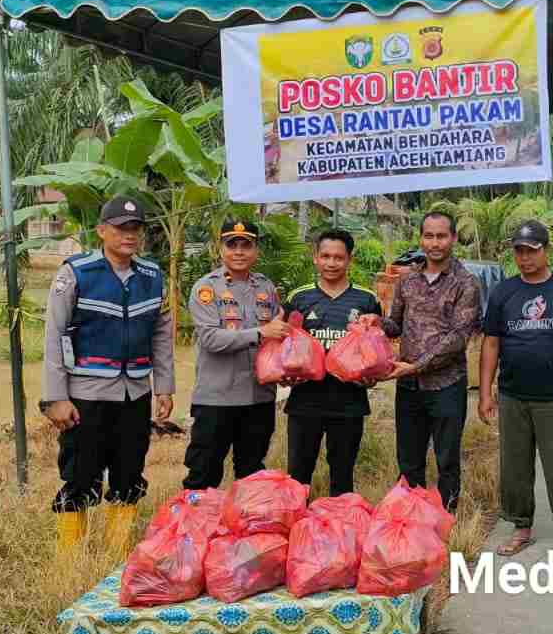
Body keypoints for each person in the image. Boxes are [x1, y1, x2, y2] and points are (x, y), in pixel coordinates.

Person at [40, 195, 175, 557]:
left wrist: (164, 386)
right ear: (102, 231)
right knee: (80, 475)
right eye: (120, 228)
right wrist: (56, 397)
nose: (128, 235)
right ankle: (71, 562)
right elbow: (54, 336)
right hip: (86, 394)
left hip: (135, 394)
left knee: (129, 473)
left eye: (135, 228)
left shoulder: (152, 276)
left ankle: (116, 556)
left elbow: (161, 332)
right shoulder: (76, 273)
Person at [479, 220, 553, 560]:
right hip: (513, 394)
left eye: (532, 250)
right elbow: (490, 344)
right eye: (519, 251)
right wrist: (486, 393)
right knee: (514, 466)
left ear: (546, 250)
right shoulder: (504, 292)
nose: (525, 257)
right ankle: (521, 526)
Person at [381, 211, 482, 510]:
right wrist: (375, 322)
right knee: (409, 458)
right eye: (429, 236)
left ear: (452, 238)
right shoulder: (408, 281)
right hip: (409, 386)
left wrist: (417, 365)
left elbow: (457, 339)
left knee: (447, 457)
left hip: (446, 385)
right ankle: (413, 519)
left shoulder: (466, 283)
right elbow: (395, 325)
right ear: (421, 238)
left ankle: (446, 516)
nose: (434, 243)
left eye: (441, 236)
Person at [183, 220, 285, 491]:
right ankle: (194, 531)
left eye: (246, 245)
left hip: (258, 398)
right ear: (220, 249)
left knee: (252, 478)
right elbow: (210, 339)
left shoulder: (267, 288)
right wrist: (261, 333)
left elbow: (278, 337)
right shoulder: (206, 288)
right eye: (232, 245)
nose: (239, 252)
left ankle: (246, 532)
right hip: (217, 398)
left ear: (256, 251)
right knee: (202, 476)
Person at [284, 229, 384, 496]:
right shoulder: (298, 298)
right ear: (315, 258)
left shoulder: (367, 300)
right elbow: (285, 345)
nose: (331, 263)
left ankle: (340, 528)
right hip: (305, 402)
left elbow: (375, 348)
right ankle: (297, 527)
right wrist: (287, 374)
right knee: (298, 475)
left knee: (342, 473)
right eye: (325, 256)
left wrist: (373, 375)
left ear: (349, 259)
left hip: (349, 403)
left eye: (338, 257)